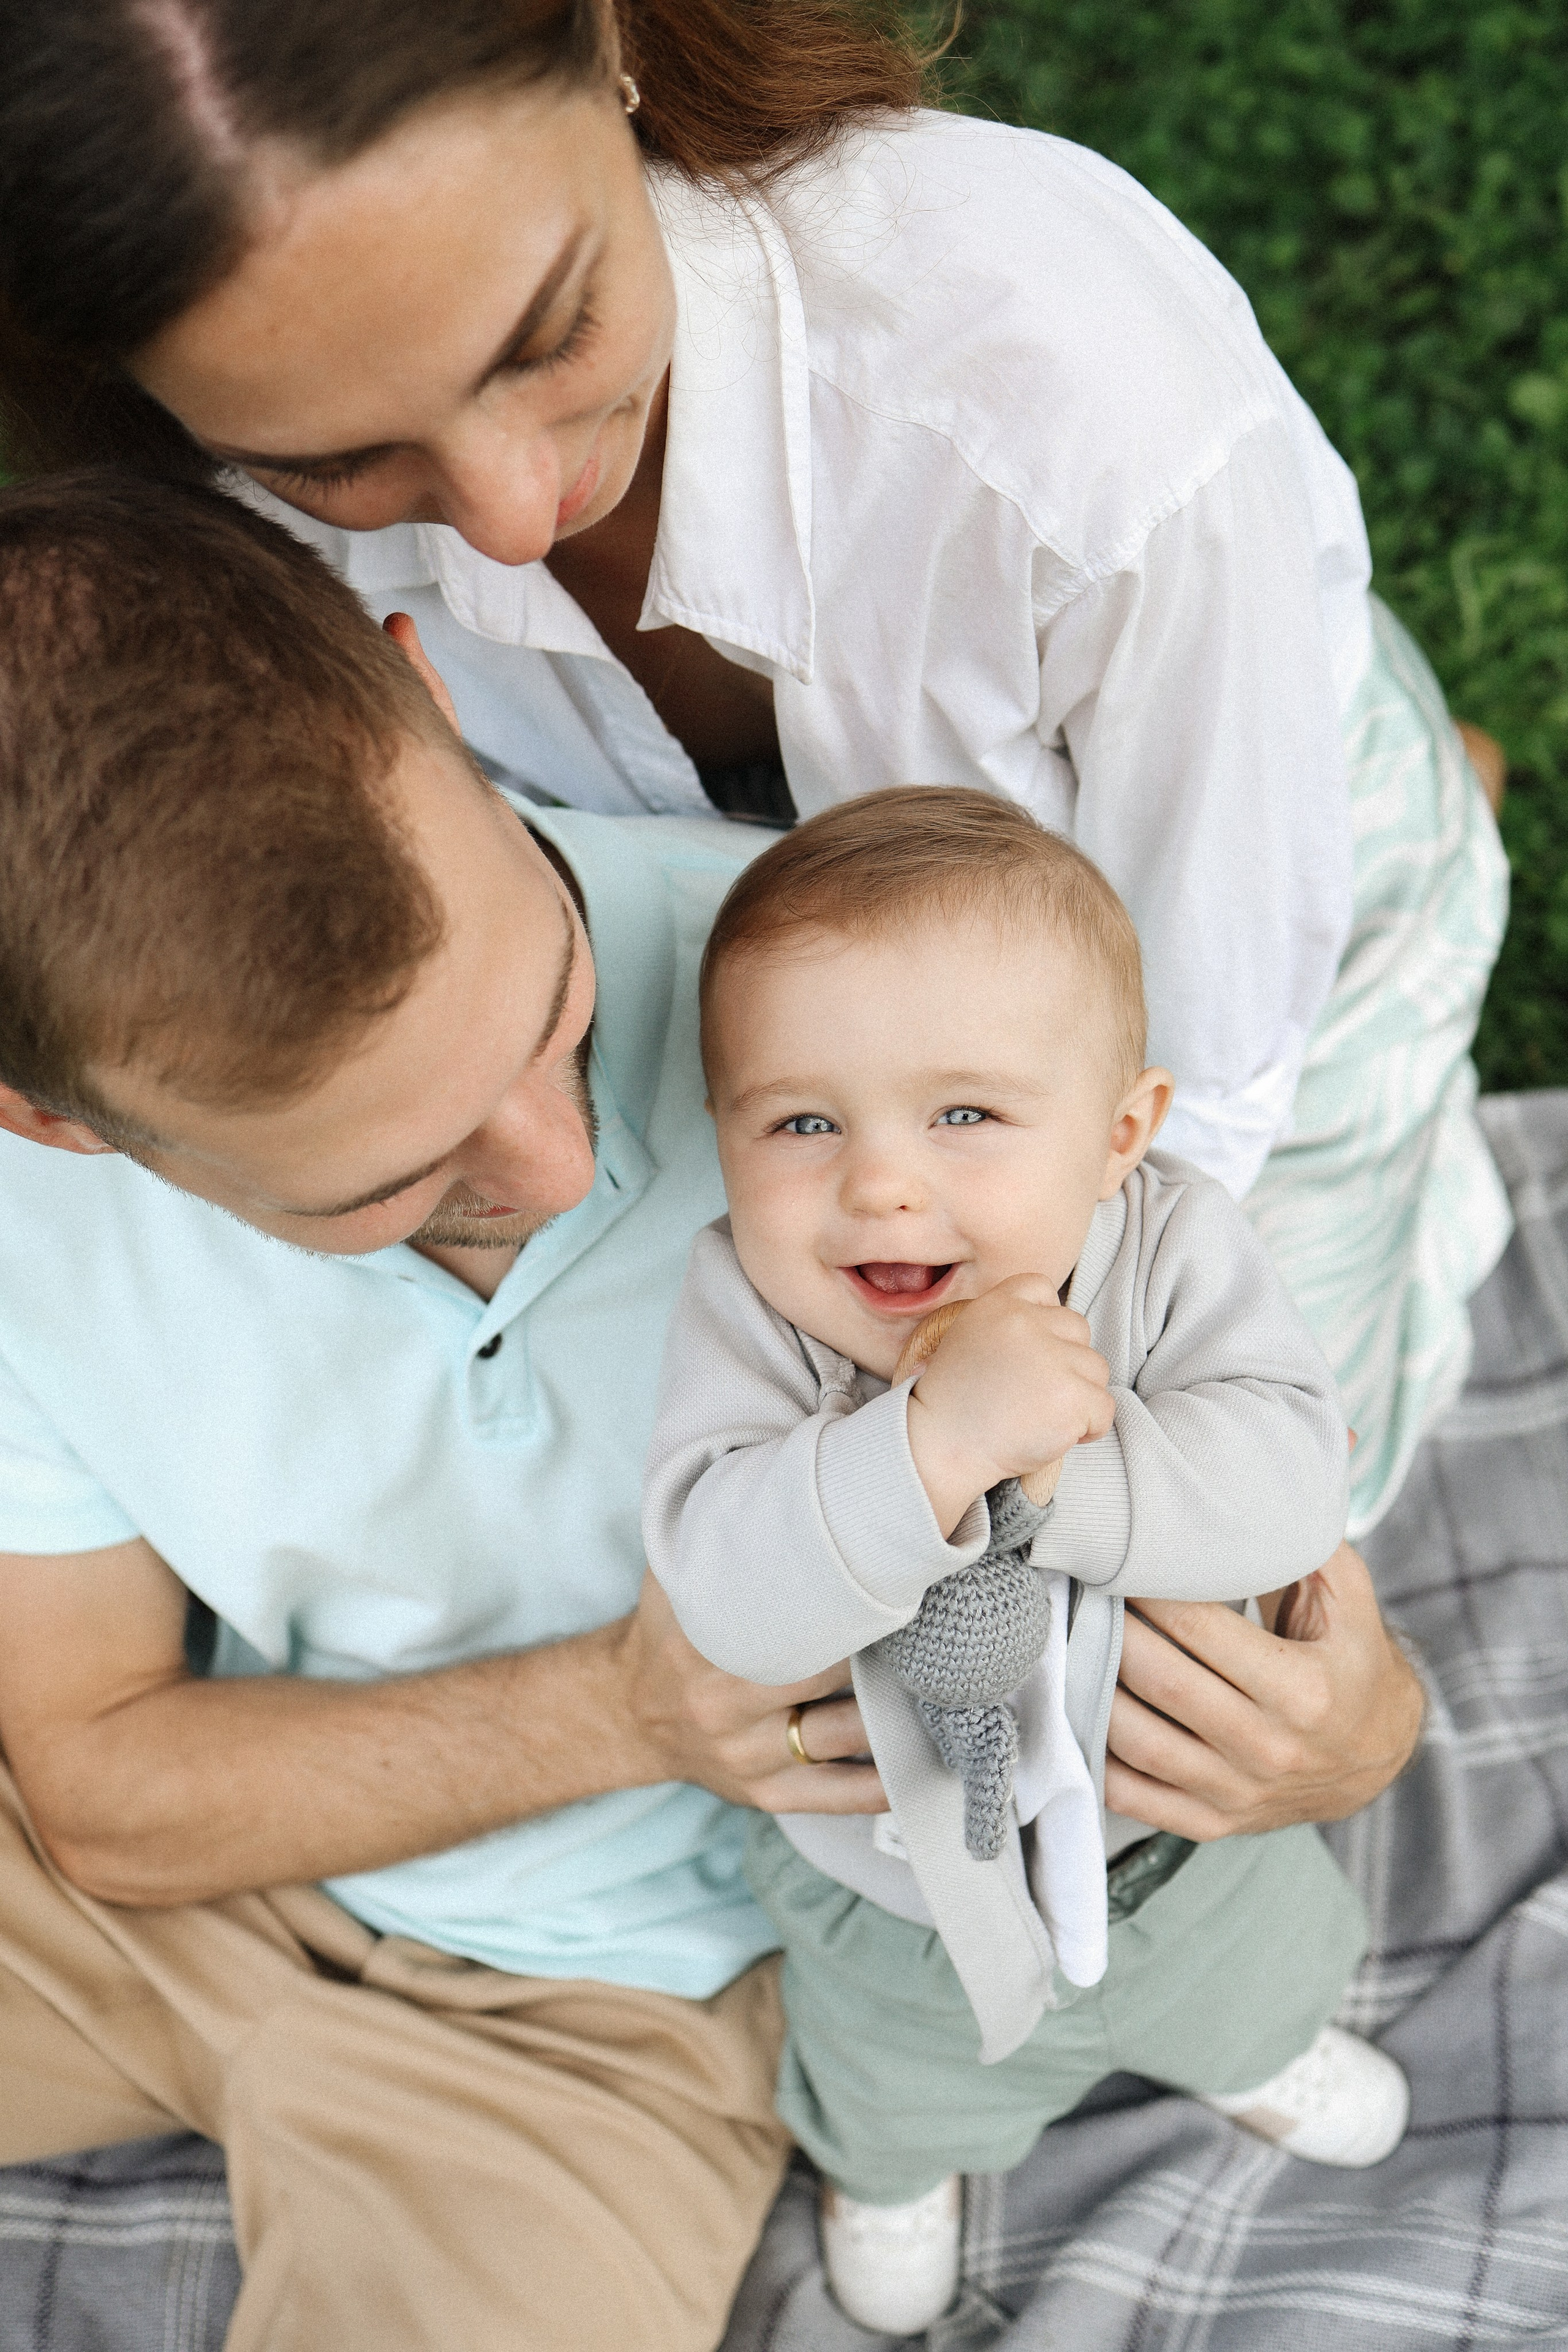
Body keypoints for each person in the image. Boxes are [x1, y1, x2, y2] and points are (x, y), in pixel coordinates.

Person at [0, 472, 1420, 2348]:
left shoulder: (865, 1043)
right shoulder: (30, 1215)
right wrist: (625, 1706)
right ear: (61, 1124)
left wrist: (1354, 1730)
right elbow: (99, 1788)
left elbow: (1215, 1450)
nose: (568, 1151)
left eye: (557, 1010)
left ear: (425, 697)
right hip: (145, 1890)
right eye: (383, 1184)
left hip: (615, 2019)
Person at [0, 0, 1509, 1549]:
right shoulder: (182, 509)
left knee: (1203, 1544)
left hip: (1209, 888)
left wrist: (1092, 1409)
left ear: (607, 42)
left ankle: (1424, 844)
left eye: (547, 336)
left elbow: (1207, 1067)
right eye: (332, 462)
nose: (514, 517)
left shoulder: (1075, 406)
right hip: (801, 968)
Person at [645, 790, 1407, 2332]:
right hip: (899, 1880)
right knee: (901, 2070)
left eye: (965, 1116)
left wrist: (1052, 1471)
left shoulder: (1175, 1248)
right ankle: (893, 2171)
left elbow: (1279, 1482)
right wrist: (929, 1450)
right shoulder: (746, 1308)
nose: (877, 1185)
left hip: (1183, 1833)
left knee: (1249, 1982)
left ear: (1120, 1134)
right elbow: (722, 1589)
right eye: (799, 1121)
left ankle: (1249, 2061)